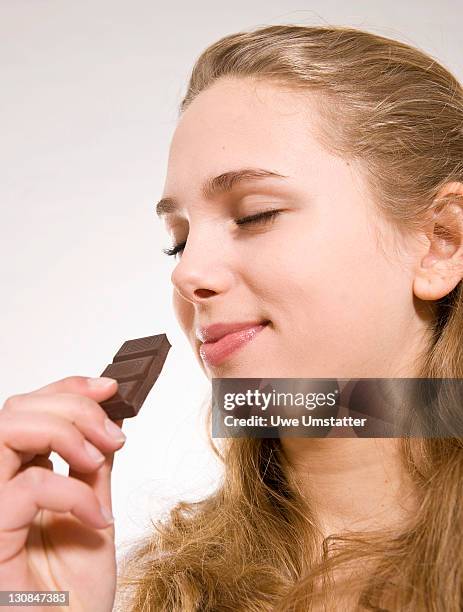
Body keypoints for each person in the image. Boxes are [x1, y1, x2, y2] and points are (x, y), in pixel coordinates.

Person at [1, 24, 462, 612]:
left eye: (255, 214)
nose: (187, 273)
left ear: (440, 241)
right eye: (179, 239)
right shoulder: (155, 591)